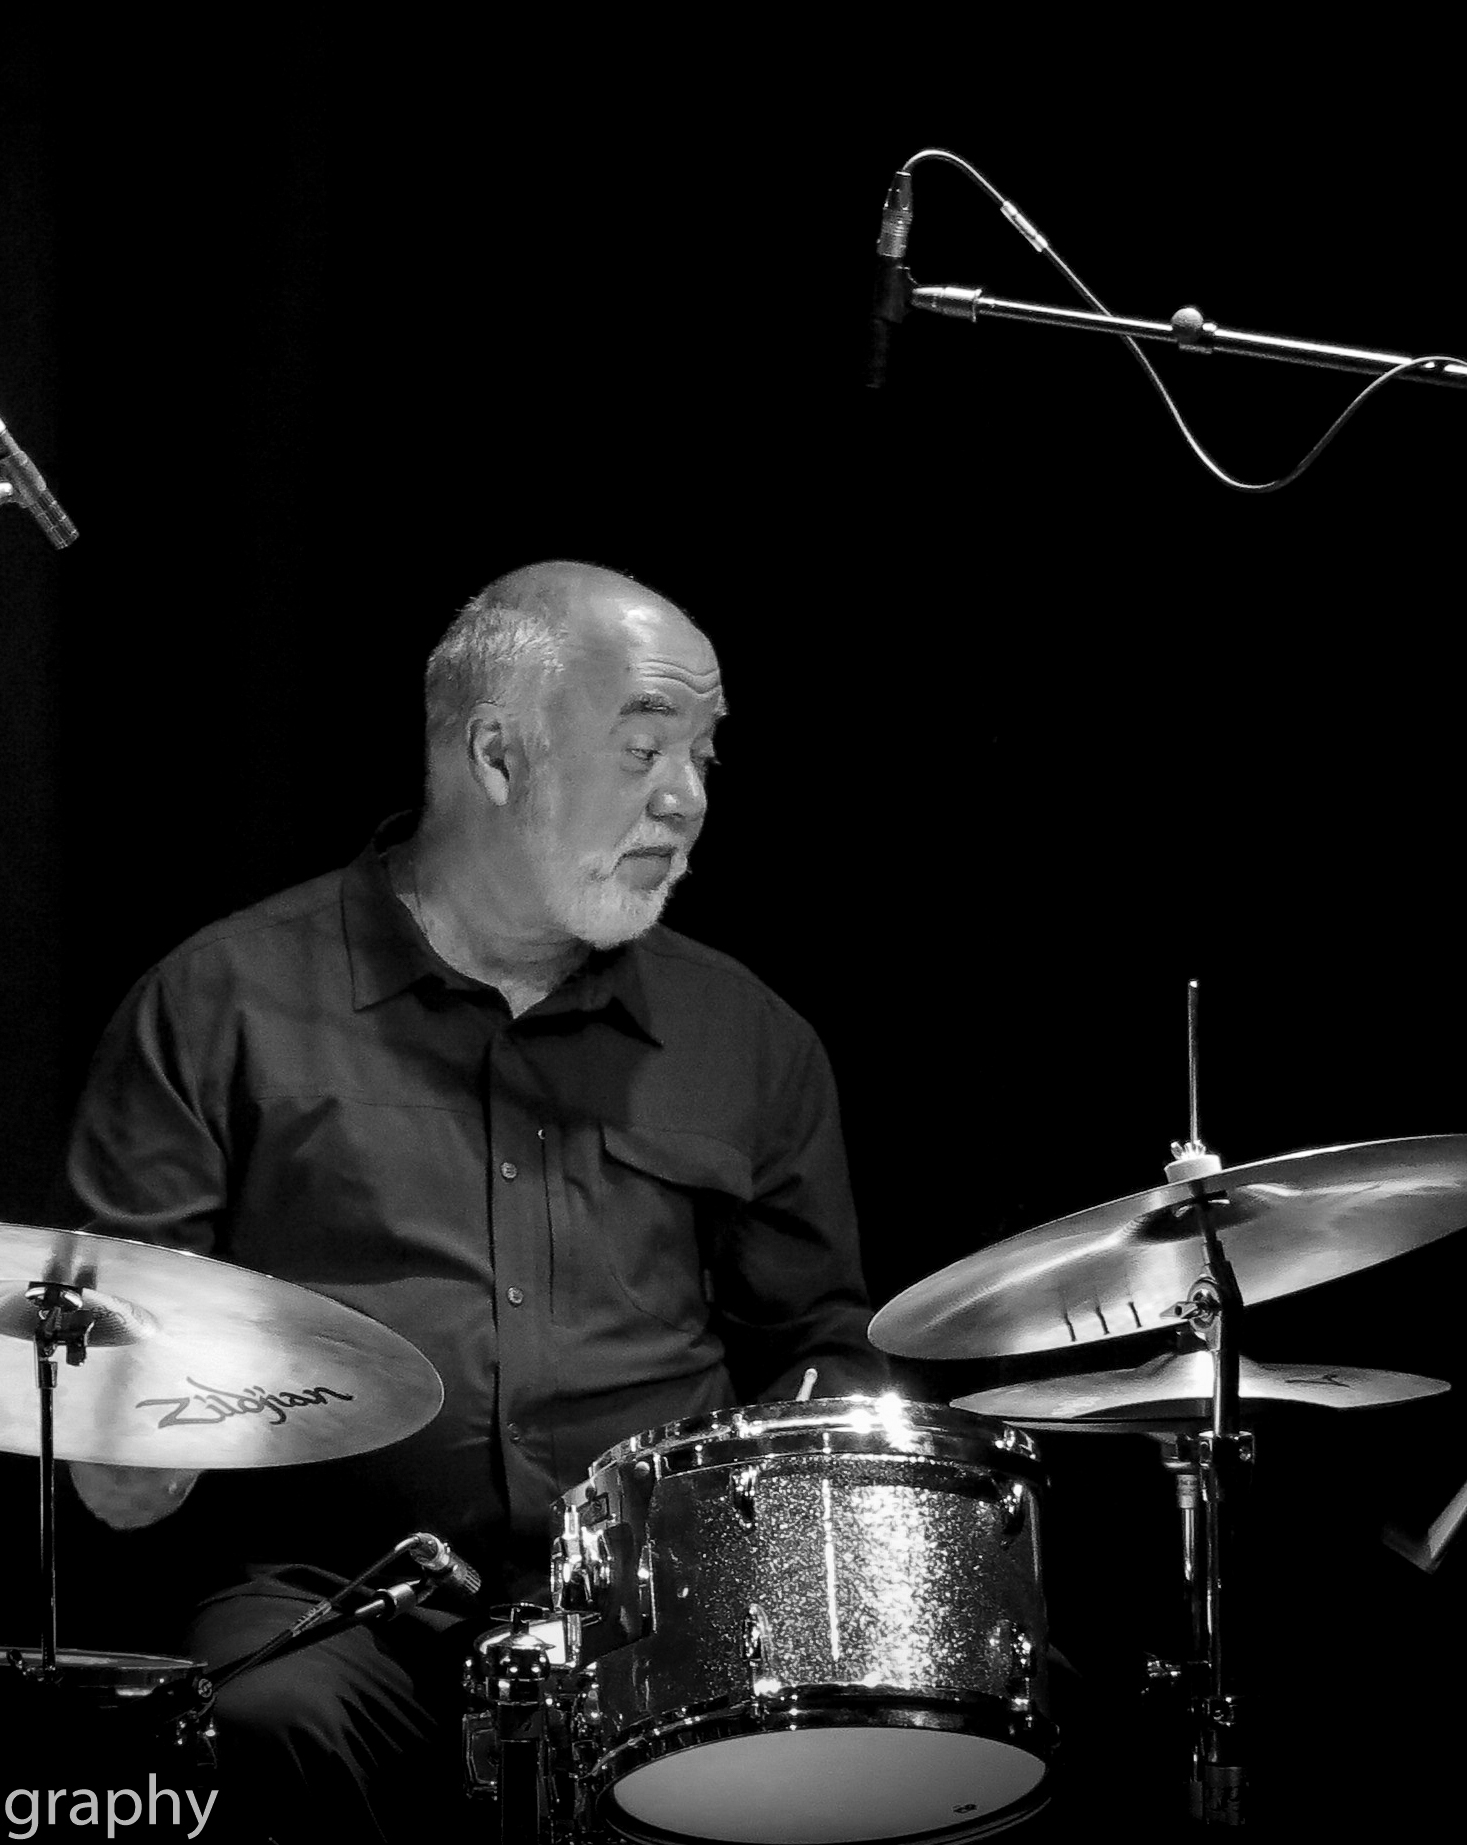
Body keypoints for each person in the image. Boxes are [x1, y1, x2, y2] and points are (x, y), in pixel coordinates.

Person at [63, 560, 887, 1841]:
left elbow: (813, 1347)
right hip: (336, 1589)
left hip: (657, 1610)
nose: (687, 798)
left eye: (706, 755)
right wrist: (123, 1446)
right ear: (498, 756)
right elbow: (112, 1352)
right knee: (256, 1723)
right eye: (642, 747)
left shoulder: (751, 1036)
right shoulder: (219, 999)